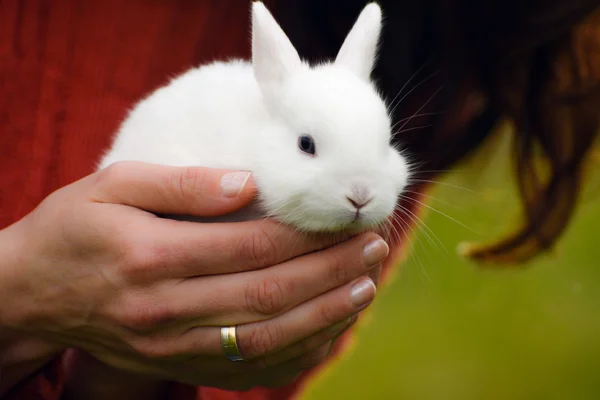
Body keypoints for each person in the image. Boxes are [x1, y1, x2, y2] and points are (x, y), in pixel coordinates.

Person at [0, 1, 598, 399]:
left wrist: (133, 365)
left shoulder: (437, 43)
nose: (367, 191)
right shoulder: (213, 123)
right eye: (310, 147)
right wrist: (25, 295)